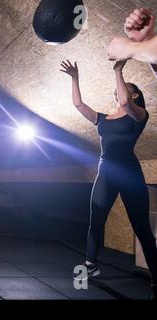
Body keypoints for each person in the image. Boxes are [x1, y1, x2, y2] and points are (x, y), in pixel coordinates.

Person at [61, 59, 157, 300]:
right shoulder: (103, 119)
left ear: (135, 96)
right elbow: (78, 104)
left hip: (130, 175)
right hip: (106, 173)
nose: (122, 93)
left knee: (141, 228)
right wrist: (75, 77)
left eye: (128, 89)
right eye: (120, 89)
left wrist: (118, 70)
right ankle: (90, 264)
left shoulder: (138, 115)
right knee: (96, 220)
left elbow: (124, 101)